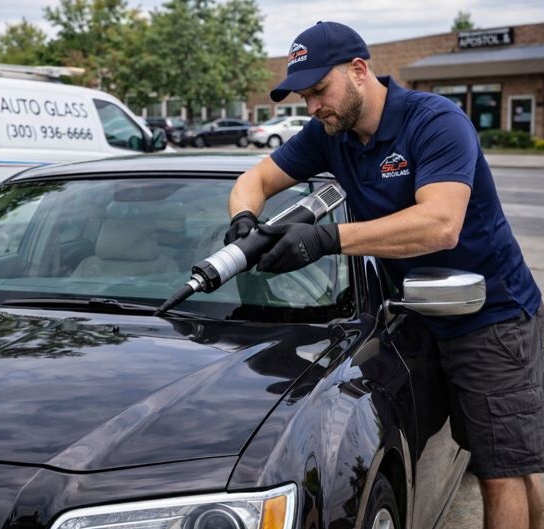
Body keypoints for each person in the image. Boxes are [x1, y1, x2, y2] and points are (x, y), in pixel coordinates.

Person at [225, 20, 544, 529]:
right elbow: (256, 177)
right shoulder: (331, 134)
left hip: (490, 315)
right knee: (506, 457)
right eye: (303, 97)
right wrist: (244, 219)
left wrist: (327, 239)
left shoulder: (435, 121)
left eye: (318, 91)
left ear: (359, 70)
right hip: (419, 317)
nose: (312, 107)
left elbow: (440, 225)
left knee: (502, 470)